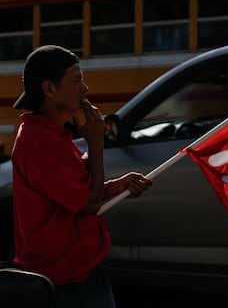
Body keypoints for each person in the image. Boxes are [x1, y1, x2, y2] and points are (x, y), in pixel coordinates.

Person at [11, 44, 152, 308]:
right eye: (76, 80)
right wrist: (96, 142)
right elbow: (87, 203)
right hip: (68, 281)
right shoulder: (39, 140)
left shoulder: (50, 134)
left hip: (77, 272)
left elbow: (71, 192)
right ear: (49, 89)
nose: (85, 89)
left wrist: (113, 187)